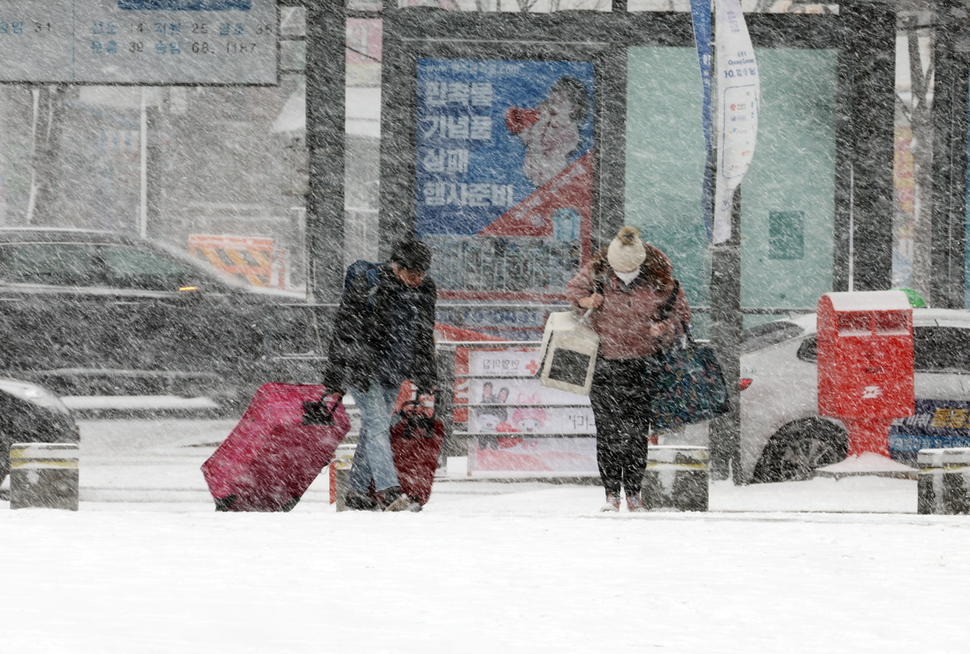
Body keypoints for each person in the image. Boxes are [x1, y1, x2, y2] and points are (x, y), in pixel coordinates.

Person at [565, 226, 691, 512]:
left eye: (630, 271)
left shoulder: (662, 280)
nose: (622, 276)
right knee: (607, 432)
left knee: (636, 433)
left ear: (641, 264)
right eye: (618, 271)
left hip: (644, 365)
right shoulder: (597, 270)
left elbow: (682, 317)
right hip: (603, 364)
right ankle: (611, 494)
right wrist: (586, 301)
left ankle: (634, 492)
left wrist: (665, 329)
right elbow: (572, 290)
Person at [324, 237, 437, 512]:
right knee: (376, 425)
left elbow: (423, 336)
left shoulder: (425, 290)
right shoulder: (368, 284)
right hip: (363, 370)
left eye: (421, 275)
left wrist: (426, 377)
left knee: (376, 427)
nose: (416, 280)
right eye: (411, 274)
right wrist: (336, 380)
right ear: (396, 267)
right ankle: (390, 492)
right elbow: (344, 332)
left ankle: (356, 491)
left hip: (393, 370)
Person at [506, 76, 590, 189]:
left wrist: (537, 129)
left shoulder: (571, 136)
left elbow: (543, 162)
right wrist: (519, 123)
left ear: (573, 108)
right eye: (554, 94)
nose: (554, 101)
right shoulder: (545, 107)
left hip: (551, 182)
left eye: (562, 99)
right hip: (528, 175)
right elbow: (526, 138)